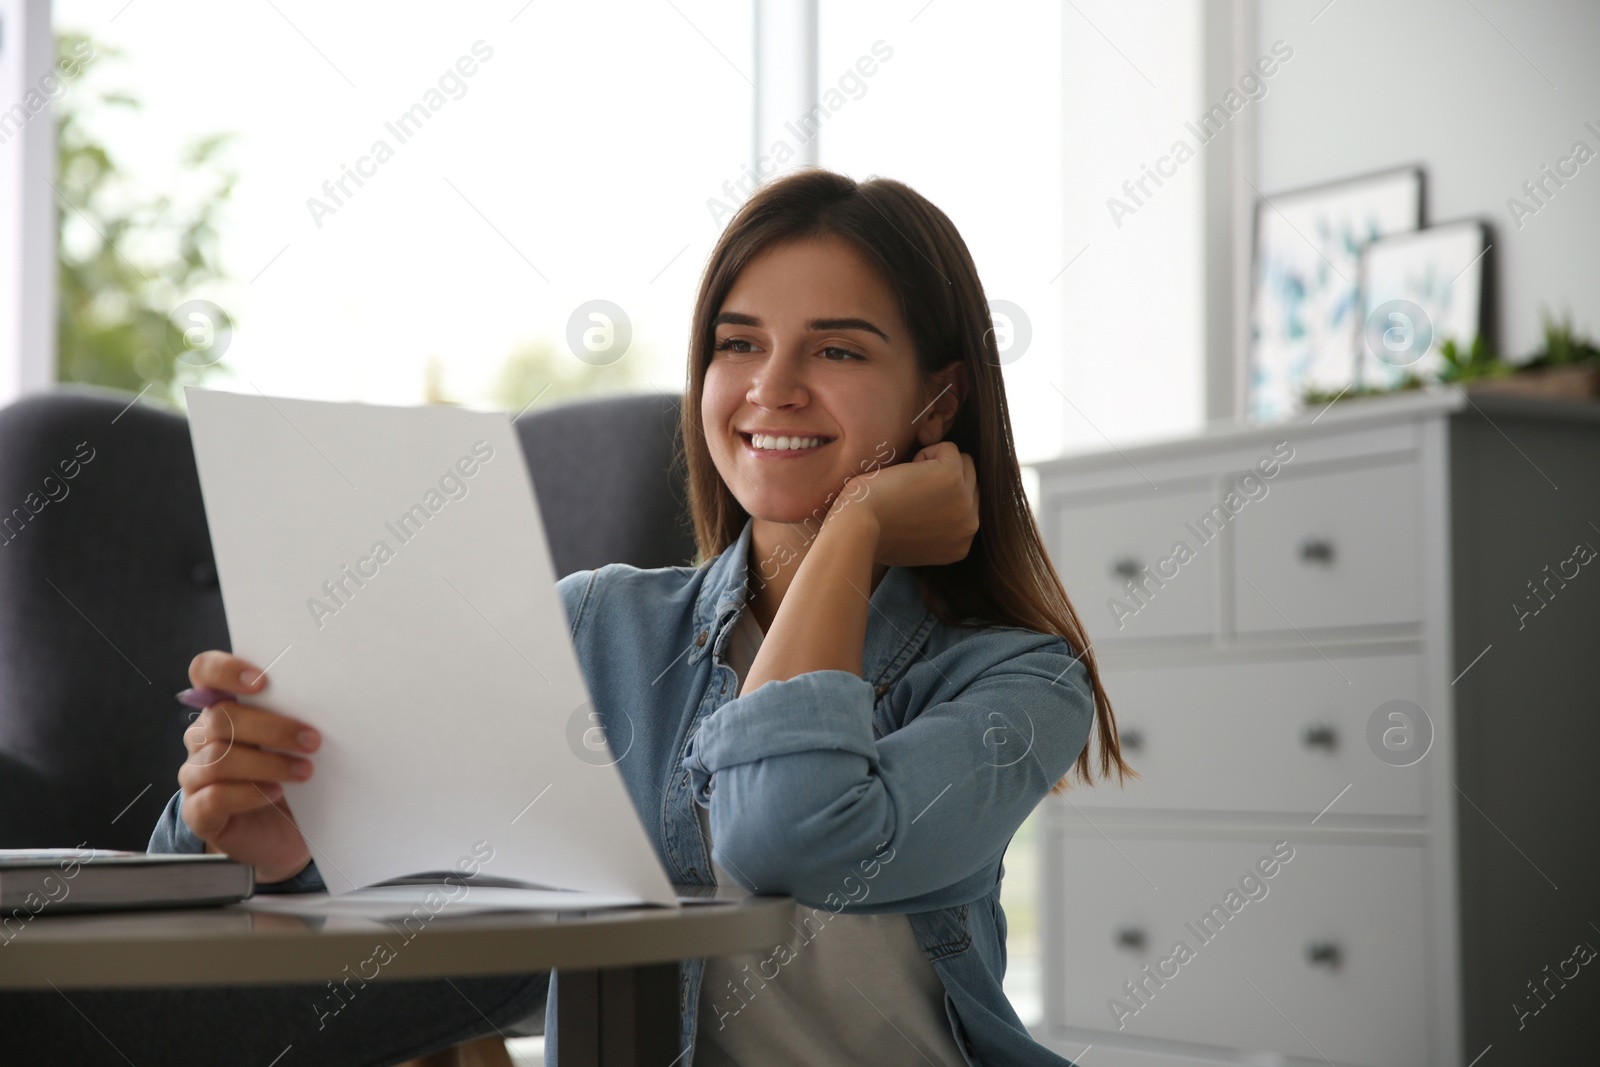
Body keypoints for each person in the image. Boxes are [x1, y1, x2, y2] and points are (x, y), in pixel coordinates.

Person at [24, 167, 1135, 1066]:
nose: (771, 386)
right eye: (737, 342)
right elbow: (414, 886)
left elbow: (787, 831)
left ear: (937, 399)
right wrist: (268, 845)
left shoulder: (1018, 681)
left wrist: (849, 535)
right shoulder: (598, 627)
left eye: (836, 349)